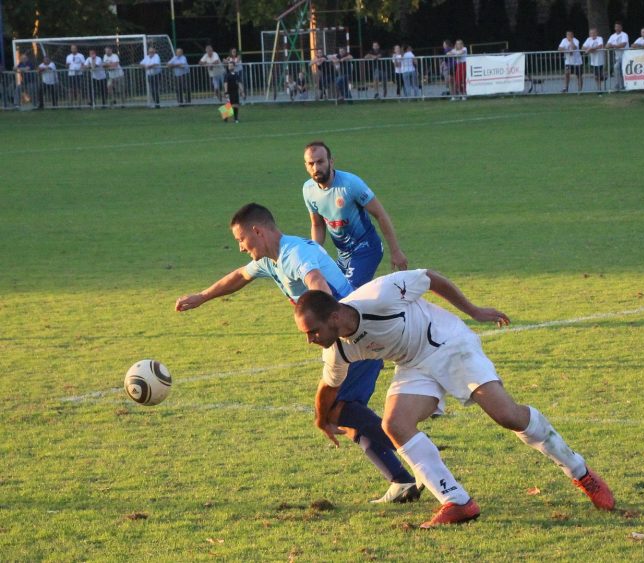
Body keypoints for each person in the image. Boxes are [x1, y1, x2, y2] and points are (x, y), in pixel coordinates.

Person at [293, 269, 616, 528]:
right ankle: (457, 502)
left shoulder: (378, 296)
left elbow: (430, 278)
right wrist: (321, 419)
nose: (310, 340)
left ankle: (580, 472)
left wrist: (474, 310)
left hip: (448, 342)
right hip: (414, 363)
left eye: (313, 332)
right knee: (395, 424)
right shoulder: (336, 349)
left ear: (334, 318)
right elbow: (329, 388)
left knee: (508, 416)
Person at [175, 203, 420, 504]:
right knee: (345, 416)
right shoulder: (271, 258)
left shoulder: (295, 254)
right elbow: (240, 275)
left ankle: (418, 453)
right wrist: (202, 296)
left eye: (241, 240)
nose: (240, 247)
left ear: (257, 231)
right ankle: (402, 480)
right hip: (345, 333)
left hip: (349, 335)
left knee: (336, 410)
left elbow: (315, 281)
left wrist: (331, 329)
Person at [303, 141, 408, 288]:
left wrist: (396, 251)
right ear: (306, 166)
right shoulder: (308, 190)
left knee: (349, 295)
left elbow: (381, 215)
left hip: (366, 248)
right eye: (311, 163)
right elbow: (317, 224)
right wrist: (315, 255)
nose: (316, 168)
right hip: (344, 255)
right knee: (329, 293)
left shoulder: (350, 184)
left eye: (320, 162)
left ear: (331, 162)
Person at [606, 22, 629, 90]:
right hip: (618, 57)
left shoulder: (624, 35)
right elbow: (607, 46)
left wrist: (613, 45)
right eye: (616, 27)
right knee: (616, 68)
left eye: (618, 27)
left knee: (624, 71)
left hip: (626, 56)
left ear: (621, 28)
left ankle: (624, 85)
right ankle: (618, 85)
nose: (617, 28)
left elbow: (623, 44)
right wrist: (610, 45)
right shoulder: (612, 36)